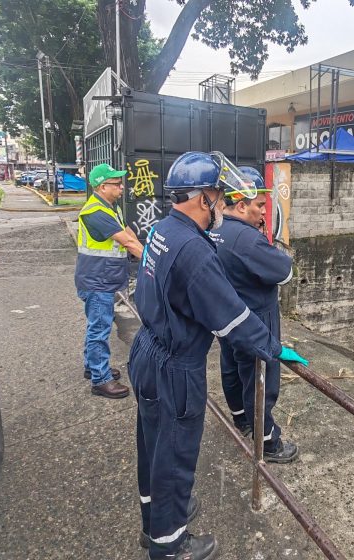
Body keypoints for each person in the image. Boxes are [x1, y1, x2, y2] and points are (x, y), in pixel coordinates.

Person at [128, 151, 308, 560]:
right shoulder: (194, 249)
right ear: (201, 198)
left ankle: (154, 520)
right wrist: (275, 348)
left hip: (148, 347)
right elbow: (232, 319)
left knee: (153, 444)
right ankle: (170, 544)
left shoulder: (162, 230)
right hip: (174, 363)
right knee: (174, 454)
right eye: (218, 198)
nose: (222, 207)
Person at [213, 166, 298, 463]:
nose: (263, 212)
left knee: (232, 369)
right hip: (256, 318)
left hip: (227, 316)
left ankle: (241, 419)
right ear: (241, 205)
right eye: (259, 205)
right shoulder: (247, 240)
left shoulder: (216, 229)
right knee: (260, 379)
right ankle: (268, 442)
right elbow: (284, 272)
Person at [75, 163, 143, 399]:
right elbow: (127, 242)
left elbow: (129, 234)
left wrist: (143, 252)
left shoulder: (110, 208)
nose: (121, 186)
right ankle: (100, 380)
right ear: (103, 186)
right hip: (96, 280)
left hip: (103, 278)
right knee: (99, 329)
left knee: (97, 325)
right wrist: (154, 262)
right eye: (116, 183)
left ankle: (92, 366)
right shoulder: (96, 212)